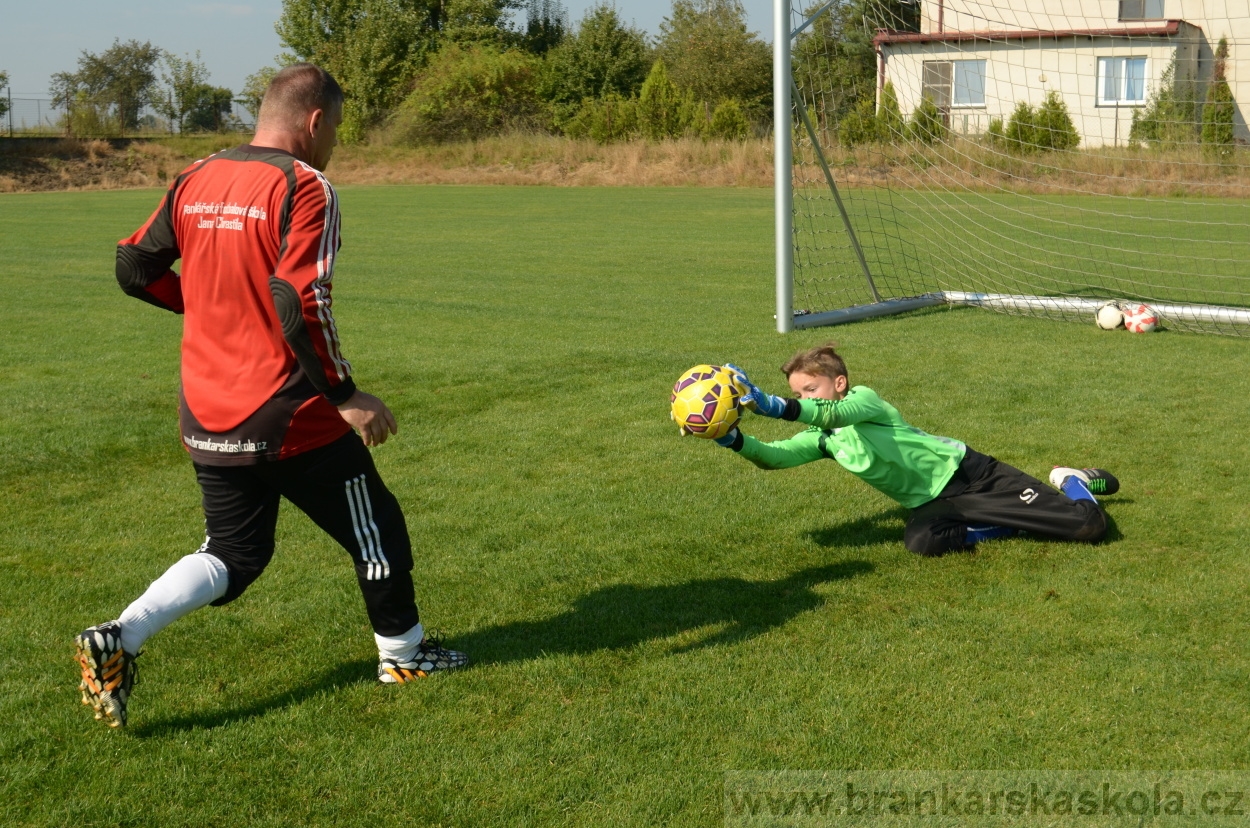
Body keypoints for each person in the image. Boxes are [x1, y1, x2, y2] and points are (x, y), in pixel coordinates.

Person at [75, 64, 465, 730]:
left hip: (205, 408)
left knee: (233, 552)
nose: (335, 142)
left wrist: (210, 309)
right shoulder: (304, 186)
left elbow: (134, 267)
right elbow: (299, 297)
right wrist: (344, 393)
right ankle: (402, 656)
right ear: (315, 121)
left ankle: (122, 633)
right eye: (336, 128)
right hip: (287, 411)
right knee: (376, 528)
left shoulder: (197, 175)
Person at [707, 344, 1117, 556]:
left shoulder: (866, 402)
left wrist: (773, 406)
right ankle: (1013, 524)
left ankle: (1072, 480)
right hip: (936, 502)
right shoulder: (823, 438)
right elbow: (773, 457)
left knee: (1088, 527)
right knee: (923, 541)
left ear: (840, 384)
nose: (803, 397)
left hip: (974, 476)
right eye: (796, 393)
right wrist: (730, 437)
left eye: (810, 390)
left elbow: (835, 414)